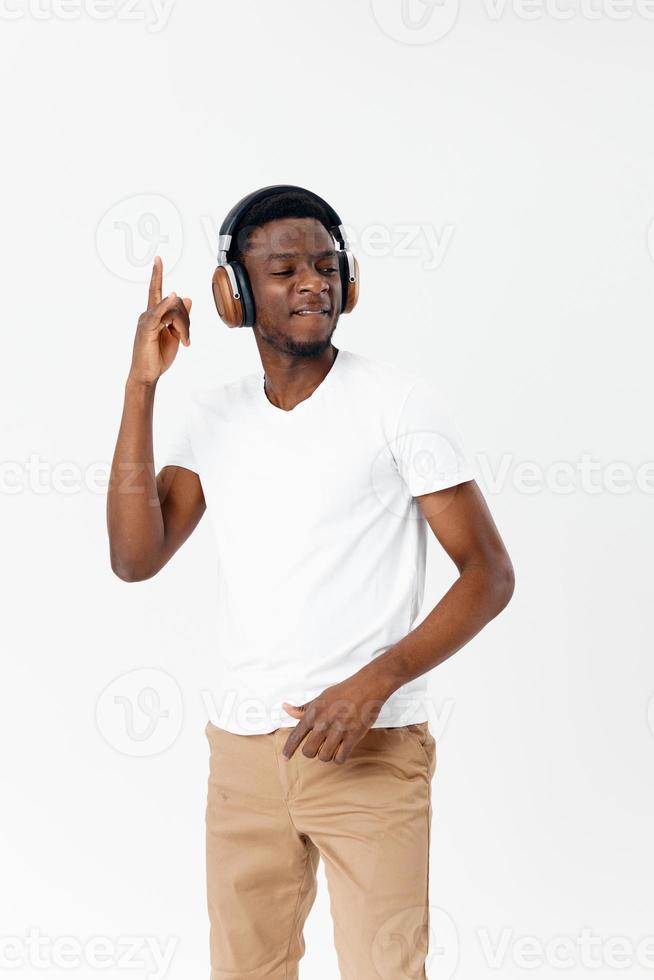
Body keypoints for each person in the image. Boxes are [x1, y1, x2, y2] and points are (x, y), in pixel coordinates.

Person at [106, 187, 515, 980]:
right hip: (243, 760)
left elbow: (489, 573)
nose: (313, 285)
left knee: (384, 971)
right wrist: (140, 387)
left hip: (372, 747)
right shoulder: (214, 417)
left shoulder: (398, 404)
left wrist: (376, 683)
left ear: (349, 282)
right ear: (234, 294)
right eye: (285, 269)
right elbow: (135, 556)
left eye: (328, 268)